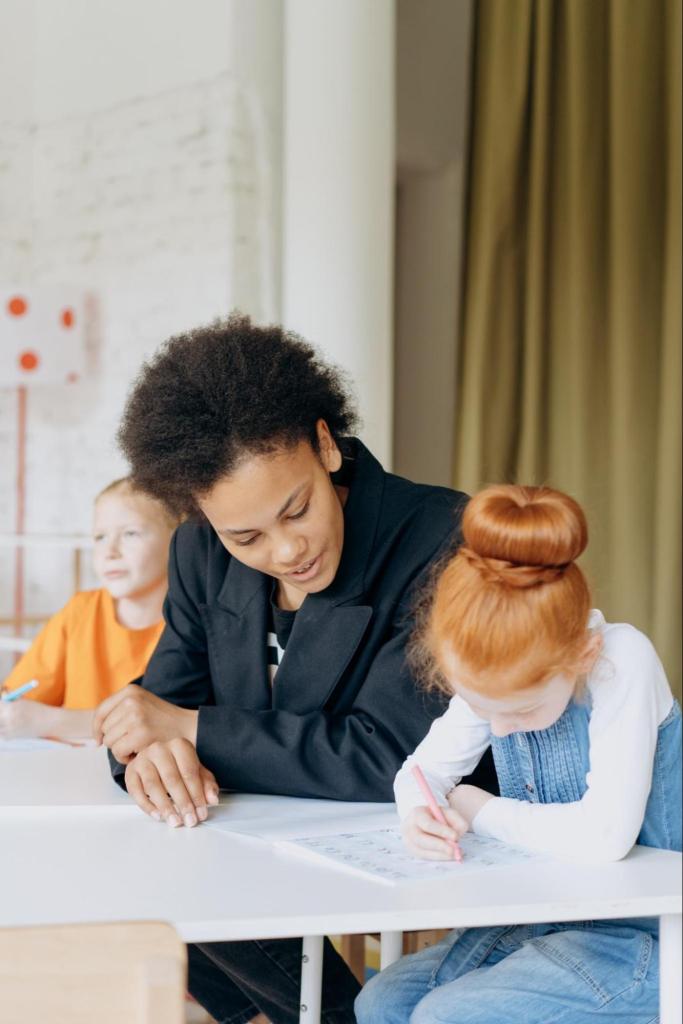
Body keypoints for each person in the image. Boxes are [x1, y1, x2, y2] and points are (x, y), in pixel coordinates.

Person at [92, 313, 498, 1024]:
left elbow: (388, 755)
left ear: (324, 443)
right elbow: (154, 713)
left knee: (201, 870)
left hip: (424, 831)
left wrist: (188, 730)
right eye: (245, 534)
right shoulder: (199, 553)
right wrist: (148, 751)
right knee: (160, 855)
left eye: (297, 510)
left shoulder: (440, 538)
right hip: (277, 834)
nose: (285, 552)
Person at [355, 483, 681, 1024]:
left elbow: (604, 838)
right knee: (381, 1002)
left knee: (444, 1016)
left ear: (582, 652)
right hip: (543, 916)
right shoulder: (499, 671)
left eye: (522, 711)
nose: (500, 728)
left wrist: (479, 810)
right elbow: (421, 772)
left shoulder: (622, 660)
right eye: (486, 710)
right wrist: (419, 813)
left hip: (647, 938)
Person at [0, 478, 177, 741]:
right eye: (100, 537)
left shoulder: (190, 625)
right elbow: (16, 704)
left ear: (177, 539)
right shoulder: (79, 612)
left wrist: (51, 721)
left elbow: (166, 728)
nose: (110, 551)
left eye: (131, 533)